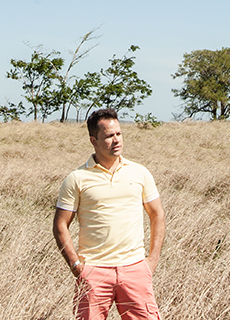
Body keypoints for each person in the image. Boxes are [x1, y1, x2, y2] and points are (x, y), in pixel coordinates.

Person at [53, 108, 165, 320]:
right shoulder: (77, 178)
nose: (116, 141)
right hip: (94, 271)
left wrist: (151, 261)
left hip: (134, 268)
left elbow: (157, 214)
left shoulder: (139, 172)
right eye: (109, 136)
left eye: (119, 134)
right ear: (93, 141)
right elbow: (60, 225)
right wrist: (77, 267)